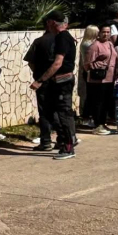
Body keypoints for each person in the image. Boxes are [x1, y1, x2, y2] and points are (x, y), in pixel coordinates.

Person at [29, 12, 77, 160]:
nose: (47, 25)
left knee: (63, 114)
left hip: (63, 82)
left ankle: (68, 147)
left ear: (53, 23)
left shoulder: (62, 37)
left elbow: (57, 63)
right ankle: (65, 143)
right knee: (55, 113)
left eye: (49, 22)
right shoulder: (63, 37)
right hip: (60, 82)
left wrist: (40, 80)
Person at [23, 30, 55, 151]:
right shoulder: (63, 40)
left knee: (44, 112)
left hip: (42, 82)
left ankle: (46, 141)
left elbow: (30, 62)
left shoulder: (39, 42)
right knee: (59, 110)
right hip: (58, 81)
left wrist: (39, 75)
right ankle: (65, 139)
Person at [85, 25, 117, 135]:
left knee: (106, 102)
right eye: (104, 32)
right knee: (98, 102)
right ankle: (97, 124)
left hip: (110, 78)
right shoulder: (95, 46)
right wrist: (99, 64)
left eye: (108, 32)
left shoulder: (110, 44)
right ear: (99, 33)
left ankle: (103, 123)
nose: (106, 34)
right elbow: (87, 64)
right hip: (98, 79)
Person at [77, 25, 99, 121]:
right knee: (91, 95)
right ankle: (87, 115)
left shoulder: (89, 43)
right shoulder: (87, 44)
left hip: (90, 70)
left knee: (92, 94)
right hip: (89, 71)